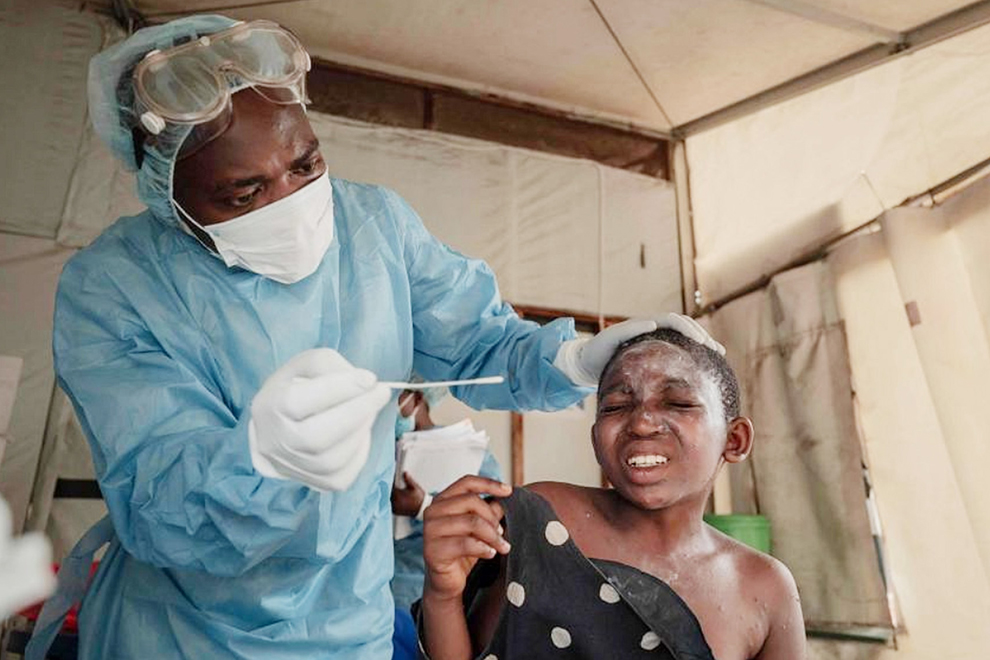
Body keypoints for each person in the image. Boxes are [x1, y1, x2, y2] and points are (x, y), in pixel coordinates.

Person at [27, 14, 724, 660]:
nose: (290, 203)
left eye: (306, 165)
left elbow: (480, 342)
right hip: (185, 632)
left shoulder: (373, 228)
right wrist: (258, 461)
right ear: (169, 192)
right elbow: (160, 499)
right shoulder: (115, 288)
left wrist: (570, 357)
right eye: (244, 194)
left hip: (349, 625)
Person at [420, 327, 806, 659]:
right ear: (595, 440)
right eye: (617, 406)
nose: (641, 422)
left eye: (678, 403)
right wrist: (442, 594)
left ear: (734, 440)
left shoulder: (763, 586)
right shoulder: (541, 520)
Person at [390, 384, 503, 659]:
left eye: (391, 398)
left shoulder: (472, 455)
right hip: (379, 603)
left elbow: (489, 531)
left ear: (417, 395)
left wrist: (422, 507)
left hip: (429, 603)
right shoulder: (378, 457)